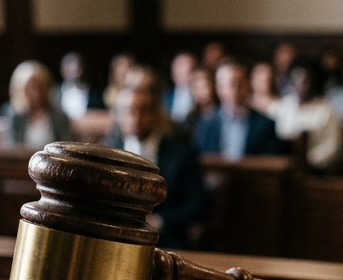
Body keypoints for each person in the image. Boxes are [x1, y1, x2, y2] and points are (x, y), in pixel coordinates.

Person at [105, 86, 208, 250]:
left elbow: (197, 205)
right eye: (128, 111)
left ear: (155, 115)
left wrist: (160, 220)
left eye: (143, 111)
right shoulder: (107, 153)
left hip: (165, 243)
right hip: (113, 241)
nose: (135, 118)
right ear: (118, 115)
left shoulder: (180, 154)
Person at [193, 60, 282, 159]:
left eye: (239, 83)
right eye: (229, 84)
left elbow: (270, 166)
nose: (234, 90)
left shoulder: (266, 125)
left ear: (248, 85)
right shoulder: (206, 123)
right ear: (218, 88)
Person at [268, 60, 343, 171]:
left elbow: (334, 147)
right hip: (282, 165)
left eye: (305, 81)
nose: (301, 86)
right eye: (296, 81)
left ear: (313, 82)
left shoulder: (326, 110)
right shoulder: (281, 106)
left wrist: (306, 159)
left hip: (314, 169)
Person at [0, 61, 71, 148]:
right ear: (21, 89)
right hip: (20, 160)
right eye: (31, 88)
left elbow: (65, 147)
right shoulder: (13, 114)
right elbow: (11, 147)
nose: (37, 93)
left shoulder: (59, 115)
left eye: (41, 87)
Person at [55, 52, 104, 121]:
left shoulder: (94, 96)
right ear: (62, 70)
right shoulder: (54, 93)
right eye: (68, 68)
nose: (71, 72)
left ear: (81, 69)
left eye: (75, 68)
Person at [165, 51, 197, 125]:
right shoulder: (165, 96)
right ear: (173, 73)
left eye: (190, 71)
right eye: (180, 68)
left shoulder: (200, 97)